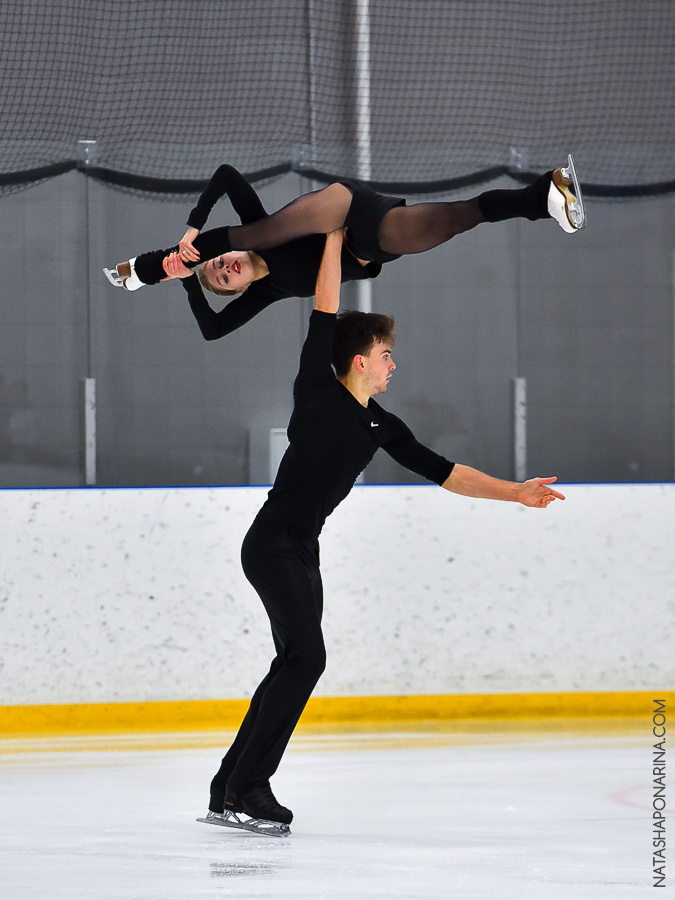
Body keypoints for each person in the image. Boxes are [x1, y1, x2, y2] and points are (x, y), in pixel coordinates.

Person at [199, 228, 565, 837]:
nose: (394, 363)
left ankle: (228, 787)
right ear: (361, 359)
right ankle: (248, 789)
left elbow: (445, 472)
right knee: (306, 658)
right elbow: (324, 308)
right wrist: (334, 242)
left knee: (295, 659)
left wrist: (515, 493)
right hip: (271, 544)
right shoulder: (317, 388)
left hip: (300, 549)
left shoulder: (380, 424)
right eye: (387, 353)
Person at [104, 156, 585, 341]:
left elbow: (226, 175)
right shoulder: (265, 293)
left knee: (254, 232)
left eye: (219, 267)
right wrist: (190, 281)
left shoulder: (237, 238)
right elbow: (211, 329)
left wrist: (184, 242)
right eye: (225, 279)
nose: (226, 268)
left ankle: (135, 274)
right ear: (241, 289)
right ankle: (548, 193)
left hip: (342, 207)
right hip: (367, 241)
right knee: (457, 220)